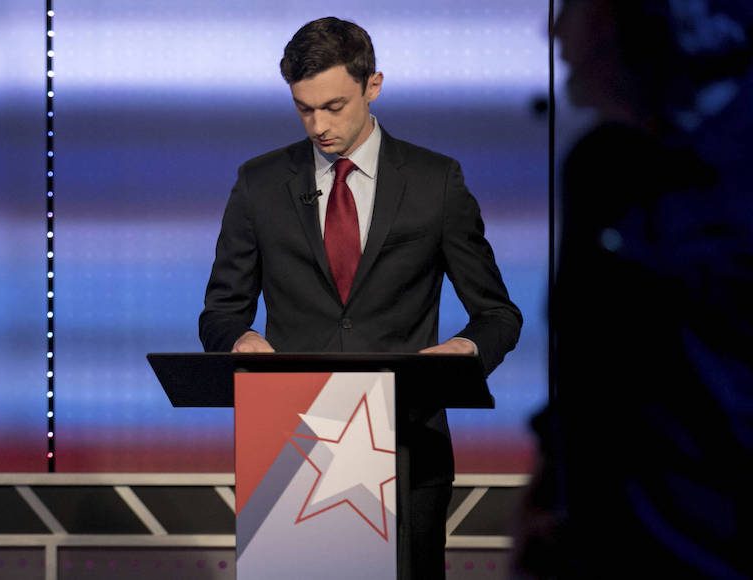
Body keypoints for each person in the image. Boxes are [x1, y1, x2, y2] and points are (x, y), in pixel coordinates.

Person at [198, 16, 522, 577]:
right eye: (304, 109)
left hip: (407, 445)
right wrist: (241, 337)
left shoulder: (435, 182)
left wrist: (466, 350)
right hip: (291, 449)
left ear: (373, 86)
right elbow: (220, 313)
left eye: (334, 106)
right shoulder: (259, 183)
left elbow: (498, 314)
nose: (318, 125)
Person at [516, 1, 753, 577]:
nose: (556, 33)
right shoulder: (600, 172)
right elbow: (584, 363)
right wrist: (550, 493)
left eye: (575, 8)